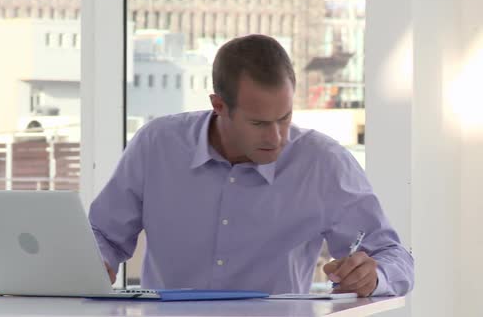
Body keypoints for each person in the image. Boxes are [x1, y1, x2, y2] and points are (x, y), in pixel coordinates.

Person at [89, 34, 414, 297]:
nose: (276, 137)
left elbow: (394, 256)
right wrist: (93, 261)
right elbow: (103, 234)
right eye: (258, 123)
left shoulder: (323, 163)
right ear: (219, 105)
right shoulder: (157, 145)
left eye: (284, 118)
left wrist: (373, 276)